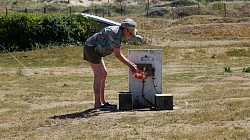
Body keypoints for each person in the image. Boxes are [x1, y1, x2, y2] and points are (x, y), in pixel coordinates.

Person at [83, 18, 141, 109]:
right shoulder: (116, 35)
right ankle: (97, 104)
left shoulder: (118, 32)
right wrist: (131, 66)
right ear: (125, 29)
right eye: (130, 33)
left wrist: (131, 65)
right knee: (99, 74)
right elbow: (117, 54)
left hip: (97, 50)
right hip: (92, 49)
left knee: (104, 73)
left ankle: (103, 101)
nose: (130, 36)